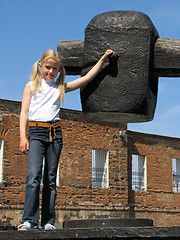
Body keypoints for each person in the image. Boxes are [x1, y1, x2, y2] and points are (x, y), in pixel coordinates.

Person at [18, 48, 114, 230]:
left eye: (55, 69)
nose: (50, 72)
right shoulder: (31, 86)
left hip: (55, 134)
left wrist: (102, 59)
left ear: (59, 70)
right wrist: (23, 137)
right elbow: (23, 112)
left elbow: (86, 79)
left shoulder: (59, 88)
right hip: (36, 132)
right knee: (33, 176)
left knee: (51, 179)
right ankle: (29, 219)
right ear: (40, 66)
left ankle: (48, 221)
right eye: (47, 67)